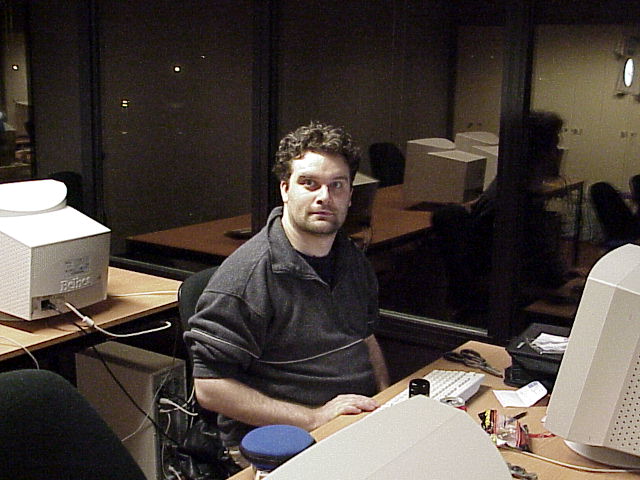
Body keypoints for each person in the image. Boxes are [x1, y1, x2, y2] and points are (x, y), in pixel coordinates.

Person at [184, 121, 390, 463]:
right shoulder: (248, 277)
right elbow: (210, 388)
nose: (324, 197)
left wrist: (385, 401)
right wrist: (315, 418)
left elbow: (365, 339)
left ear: (351, 195)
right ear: (285, 189)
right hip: (282, 441)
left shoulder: (351, 259)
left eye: (337, 185)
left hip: (352, 424)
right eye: (309, 183)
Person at [431, 111, 573, 315]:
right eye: (554, 147)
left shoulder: (510, 190)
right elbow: (533, 269)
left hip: (513, 290)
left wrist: (564, 276)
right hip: (509, 302)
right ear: (539, 154)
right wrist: (561, 283)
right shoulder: (516, 204)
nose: (557, 154)